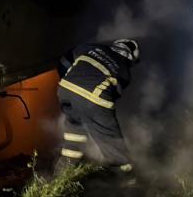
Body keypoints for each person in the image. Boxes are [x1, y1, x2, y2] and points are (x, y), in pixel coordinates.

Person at [55, 39, 140, 174]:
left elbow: (65, 60)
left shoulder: (91, 47)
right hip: (94, 97)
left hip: (65, 91)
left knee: (74, 135)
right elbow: (110, 97)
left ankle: (60, 176)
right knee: (111, 141)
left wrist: (65, 77)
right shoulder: (125, 72)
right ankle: (128, 178)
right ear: (130, 57)